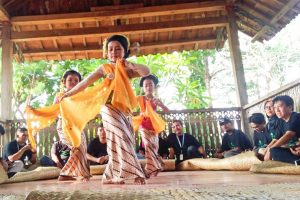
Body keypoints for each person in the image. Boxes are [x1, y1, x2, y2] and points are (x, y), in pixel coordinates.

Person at [60, 35, 150, 184]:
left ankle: (111, 176)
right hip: (108, 108)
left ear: (125, 51)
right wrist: (68, 93)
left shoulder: (127, 68)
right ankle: (135, 172)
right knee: (121, 135)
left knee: (118, 140)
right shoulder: (104, 68)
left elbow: (146, 72)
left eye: (118, 49)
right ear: (106, 53)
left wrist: (131, 65)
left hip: (124, 111)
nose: (114, 52)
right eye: (110, 49)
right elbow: (86, 82)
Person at [54, 70, 91, 181]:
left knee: (82, 148)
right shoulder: (59, 96)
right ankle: (66, 173)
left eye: (76, 80)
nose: (73, 82)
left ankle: (78, 173)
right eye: (70, 80)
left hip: (77, 127)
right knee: (77, 147)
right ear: (64, 82)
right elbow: (53, 111)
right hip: (64, 126)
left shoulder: (82, 96)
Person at [135, 74, 169, 177]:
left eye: (150, 85)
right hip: (143, 125)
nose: (148, 87)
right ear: (143, 88)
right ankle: (150, 168)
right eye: (146, 85)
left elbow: (167, 111)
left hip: (153, 126)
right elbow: (129, 106)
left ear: (154, 86)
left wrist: (161, 105)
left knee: (154, 147)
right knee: (148, 145)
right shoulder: (140, 98)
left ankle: (157, 165)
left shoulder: (156, 100)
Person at [268, 95, 300, 164]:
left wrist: (271, 149)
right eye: (275, 107)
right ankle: (295, 161)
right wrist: (268, 150)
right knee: (275, 150)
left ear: (290, 107)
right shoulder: (280, 121)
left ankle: (296, 161)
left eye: (280, 106)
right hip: (294, 148)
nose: (277, 110)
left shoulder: (296, 116)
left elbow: (288, 135)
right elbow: (276, 139)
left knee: (273, 149)